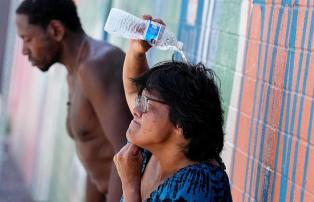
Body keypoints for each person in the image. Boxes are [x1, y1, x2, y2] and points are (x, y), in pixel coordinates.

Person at [15, 0, 132, 201]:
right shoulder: (77, 70)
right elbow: (96, 152)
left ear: (56, 30)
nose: (24, 51)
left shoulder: (95, 67)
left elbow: (127, 150)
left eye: (28, 39)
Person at [113, 16, 232, 202]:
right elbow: (132, 89)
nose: (136, 110)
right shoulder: (154, 152)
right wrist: (137, 50)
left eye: (145, 103)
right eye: (141, 100)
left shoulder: (198, 187)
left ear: (180, 123)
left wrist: (130, 187)